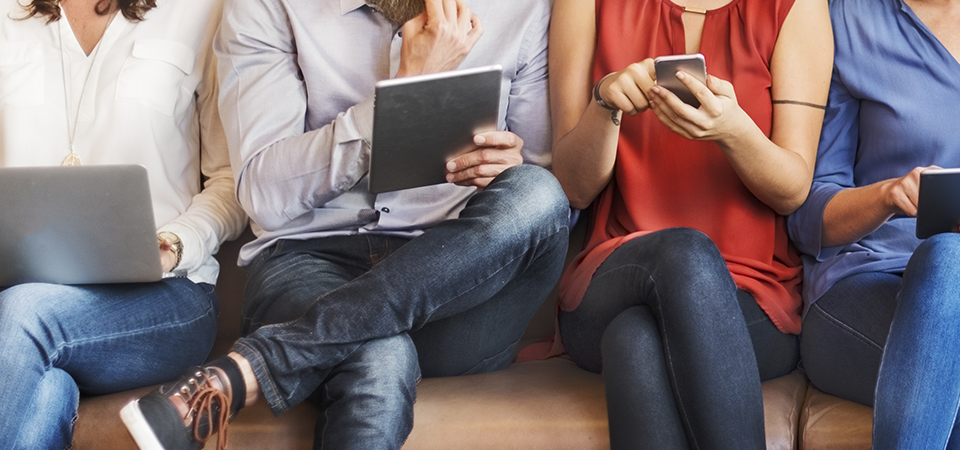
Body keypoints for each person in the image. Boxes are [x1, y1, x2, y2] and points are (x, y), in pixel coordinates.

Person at [118, 0, 567, 448]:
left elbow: (534, 176)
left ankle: (266, 362)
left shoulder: (522, 8)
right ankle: (300, 349)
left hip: (456, 288)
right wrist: (407, 90)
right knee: (377, 354)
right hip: (309, 262)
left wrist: (503, 169)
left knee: (538, 192)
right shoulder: (268, 5)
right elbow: (263, 194)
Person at [518, 0, 830, 446]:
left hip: (751, 295)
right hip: (613, 276)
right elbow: (572, 189)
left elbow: (792, 190)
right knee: (683, 252)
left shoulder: (795, 9)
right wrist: (605, 102)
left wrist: (734, 132)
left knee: (635, 342)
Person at [784, 0, 960, 446]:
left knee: (949, 256)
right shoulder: (850, 18)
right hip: (865, 290)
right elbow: (807, 217)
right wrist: (886, 196)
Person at [0, 0, 245, 447]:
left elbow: (232, 182)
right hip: (22, 294)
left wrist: (175, 241)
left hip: (167, 296)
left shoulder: (201, 11)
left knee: (23, 315)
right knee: (46, 390)